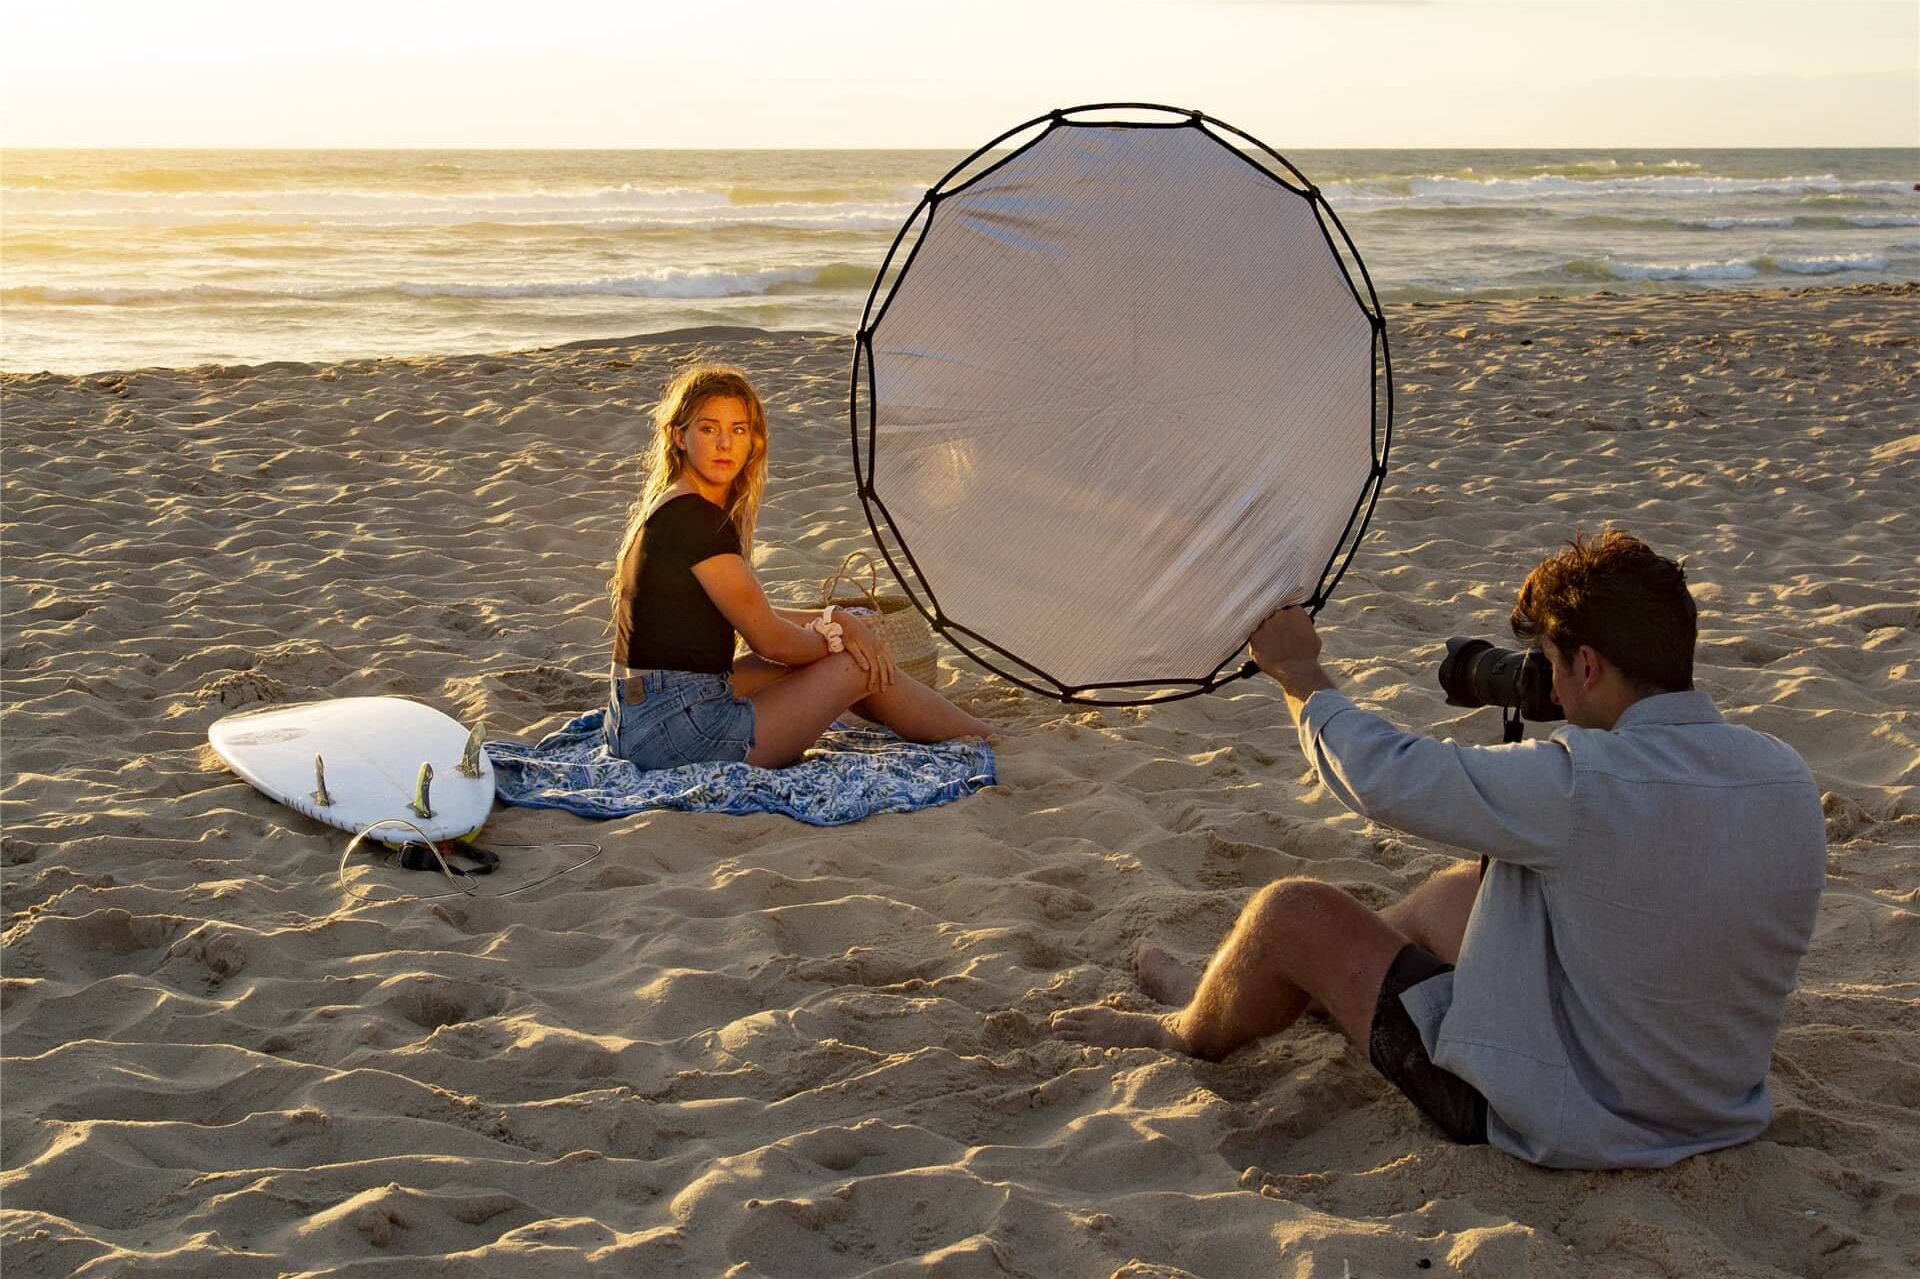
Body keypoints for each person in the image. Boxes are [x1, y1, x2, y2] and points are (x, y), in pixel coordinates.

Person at [1051, 530, 1826, 1169]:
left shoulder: (1578, 785)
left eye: (1554, 666)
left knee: (1291, 911)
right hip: (1712, 1106)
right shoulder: (1784, 773)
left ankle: (1188, 1028)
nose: (1552, 691)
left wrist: (1298, 671)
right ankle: (1282, 993)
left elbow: (1384, 776)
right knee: (1464, 894)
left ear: (1587, 664)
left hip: (1566, 1121)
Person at [607, 363, 992, 770]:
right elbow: (771, 641)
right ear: (678, 436)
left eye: (738, 429)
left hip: (634, 721)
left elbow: (750, 614)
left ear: (754, 440)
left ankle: (953, 725)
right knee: (854, 664)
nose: (724, 443)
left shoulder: (669, 504)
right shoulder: (697, 519)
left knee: (834, 650)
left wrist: (833, 619)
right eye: (708, 429)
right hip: (679, 735)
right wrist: (836, 638)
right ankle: (985, 736)